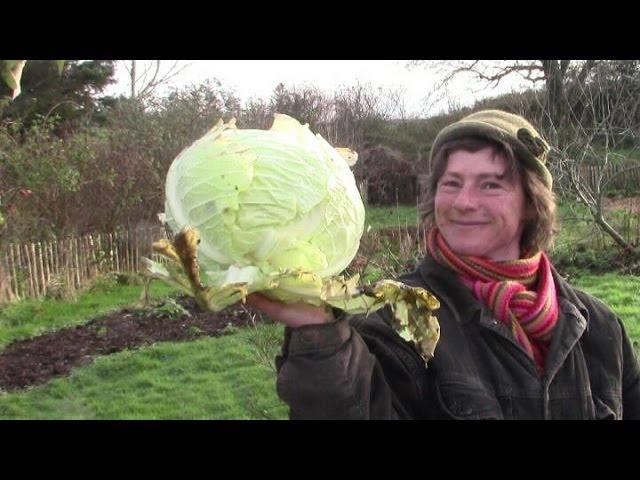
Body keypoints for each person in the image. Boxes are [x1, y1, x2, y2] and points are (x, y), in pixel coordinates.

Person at [246, 109, 640, 420]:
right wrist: (320, 337)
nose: (463, 202)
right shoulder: (398, 321)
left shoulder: (599, 327)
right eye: (451, 183)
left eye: (490, 184)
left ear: (530, 204)